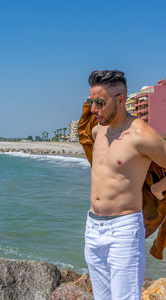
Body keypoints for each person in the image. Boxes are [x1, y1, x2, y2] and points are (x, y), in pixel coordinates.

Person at [82, 70, 166, 300]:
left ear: (121, 100)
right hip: (93, 227)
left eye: (99, 103)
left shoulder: (141, 135)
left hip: (124, 229)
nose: (93, 109)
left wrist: (159, 188)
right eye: (91, 102)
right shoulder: (97, 130)